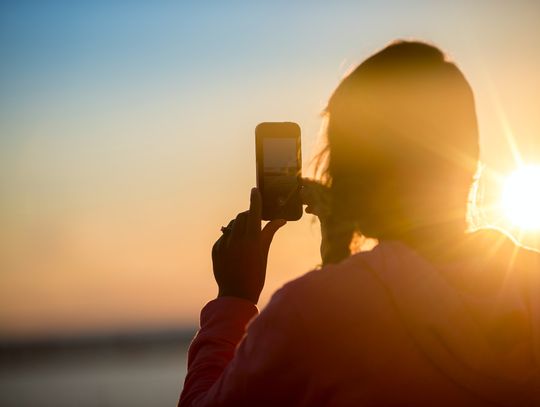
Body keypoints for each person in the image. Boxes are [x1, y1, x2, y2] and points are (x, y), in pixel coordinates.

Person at [178, 41, 540, 406]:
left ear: (350, 169)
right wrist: (337, 260)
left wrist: (232, 300)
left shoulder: (308, 312)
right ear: (470, 157)